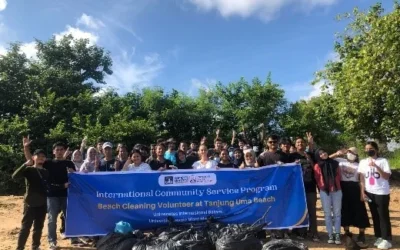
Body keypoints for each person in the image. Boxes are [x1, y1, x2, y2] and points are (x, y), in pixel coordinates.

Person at [23, 138, 76, 249]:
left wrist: (74, 173)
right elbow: (31, 161)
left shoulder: (69, 163)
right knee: (52, 220)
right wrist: (26, 148)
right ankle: (52, 242)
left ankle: (73, 238)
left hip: (67, 195)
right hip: (51, 195)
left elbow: (76, 179)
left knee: (70, 218)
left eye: (61, 149)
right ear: (54, 152)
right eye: (57, 150)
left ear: (64, 151)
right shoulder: (48, 163)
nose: (59, 151)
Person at [330, 147, 370, 244]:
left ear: (356, 155)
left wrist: (362, 192)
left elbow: (361, 180)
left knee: (360, 209)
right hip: (343, 187)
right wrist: (336, 153)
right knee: (344, 209)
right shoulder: (340, 161)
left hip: (355, 187)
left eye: (353, 153)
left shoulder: (359, 164)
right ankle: (347, 232)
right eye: (349, 152)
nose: (350, 154)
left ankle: (361, 233)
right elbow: (326, 159)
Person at [358, 141, 392, 249]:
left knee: (383, 215)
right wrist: (362, 192)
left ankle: (387, 238)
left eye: (371, 148)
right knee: (374, 215)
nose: (368, 150)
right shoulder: (363, 162)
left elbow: (386, 176)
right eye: (366, 149)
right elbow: (362, 178)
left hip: (381, 192)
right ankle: (379, 236)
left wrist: (376, 167)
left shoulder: (383, 161)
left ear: (376, 149)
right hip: (369, 192)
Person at [13, 150, 49, 250]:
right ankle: (20, 247)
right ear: (33, 157)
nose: (41, 158)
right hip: (30, 203)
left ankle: (35, 246)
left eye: (43, 156)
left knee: (38, 227)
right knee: (25, 227)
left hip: (42, 203)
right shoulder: (29, 170)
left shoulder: (46, 172)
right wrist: (25, 164)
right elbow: (14, 176)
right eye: (39, 156)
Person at [290, 137, 319, 242]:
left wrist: (309, 158)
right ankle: (301, 233)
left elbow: (315, 167)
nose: (300, 144)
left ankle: (314, 233)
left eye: (302, 142)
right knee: (300, 211)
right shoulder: (291, 156)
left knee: (312, 211)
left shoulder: (310, 155)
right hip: (297, 189)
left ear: (305, 144)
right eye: (298, 142)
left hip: (310, 187)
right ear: (295, 145)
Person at [314, 148, 342, 245]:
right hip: (324, 192)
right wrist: (323, 188)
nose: (323, 154)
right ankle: (330, 234)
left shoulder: (335, 163)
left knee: (337, 213)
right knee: (327, 214)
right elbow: (318, 179)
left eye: (324, 152)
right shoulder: (317, 165)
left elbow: (339, 176)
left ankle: (337, 234)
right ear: (318, 156)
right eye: (320, 154)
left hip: (337, 190)